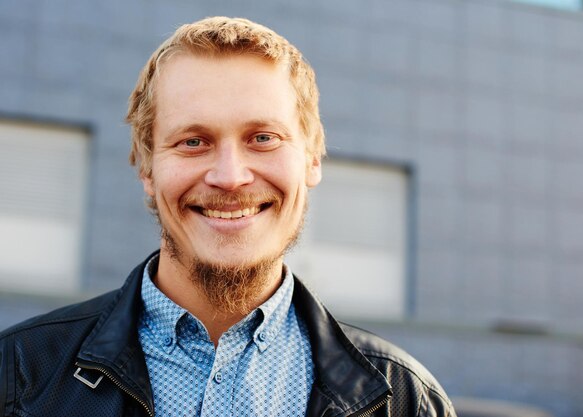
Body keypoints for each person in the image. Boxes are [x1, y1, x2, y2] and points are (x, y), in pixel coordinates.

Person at [0, 16, 456, 417]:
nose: (230, 177)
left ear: (313, 159)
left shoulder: (406, 401)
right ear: (146, 166)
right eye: (193, 142)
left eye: (263, 138)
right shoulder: (17, 377)